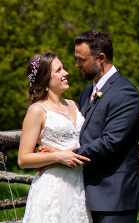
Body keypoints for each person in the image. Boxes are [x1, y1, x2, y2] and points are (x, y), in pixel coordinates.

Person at [73, 30, 139, 223]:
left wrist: (69, 153)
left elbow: (110, 142)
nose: (77, 65)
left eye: (81, 59)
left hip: (115, 196)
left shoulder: (125, 92)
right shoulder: (87, 92)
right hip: (86, 193)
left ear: (100, 58)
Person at [18, 51, 92, 223]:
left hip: (79, 186)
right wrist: (59, 156)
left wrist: (56, 154)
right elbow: (23, 159)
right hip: (53, 187)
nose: (66, 73)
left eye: (63, 68)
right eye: (58, 70)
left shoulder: (74, 105)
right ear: (45, 78)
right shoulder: (37, 110)